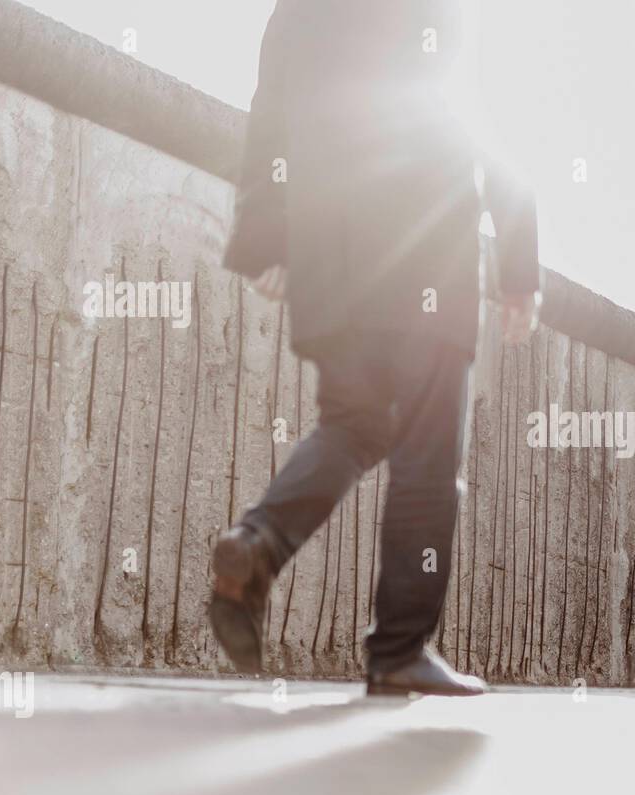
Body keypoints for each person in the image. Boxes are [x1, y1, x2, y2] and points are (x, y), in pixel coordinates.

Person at [213, 0, 540, 695]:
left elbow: (270, 112)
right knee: (428, 454)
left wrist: (268, 236)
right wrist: (518, 270)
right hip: (427, 250)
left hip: (334, 260)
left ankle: (260, 542)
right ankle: (398, 651)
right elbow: (485, 119)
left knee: (353, 424)